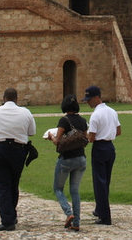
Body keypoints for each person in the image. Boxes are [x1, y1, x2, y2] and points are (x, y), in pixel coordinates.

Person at [0, 87, 36, 231]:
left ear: (3, 98)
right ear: (17, 99)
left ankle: (8, 220)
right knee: (13, 182)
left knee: (2, 185)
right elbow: (32, 132)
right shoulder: (25, 112)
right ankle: (11, 214)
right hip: (19, 150)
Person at [46, 94, 87, 232]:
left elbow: (58, 141)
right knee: (75, 191)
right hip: (81, 158)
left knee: (58, 188)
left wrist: (51, 137)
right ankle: (76, 222)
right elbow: (85, 139)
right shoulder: (82, 121)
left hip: (66, 159)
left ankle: (69, 213)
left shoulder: (64, 121)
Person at [82, 85, 121, 226]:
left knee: (99, 182)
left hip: (99, 147)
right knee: (106, 181)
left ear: (96, 98)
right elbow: (118, 131)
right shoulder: (112, 111)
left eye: (89, 99)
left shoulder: (95, 115)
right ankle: (100, 209)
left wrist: (83, 135)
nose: (88, 102)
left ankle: (105, 216)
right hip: (110, 147)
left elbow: (91, 138)